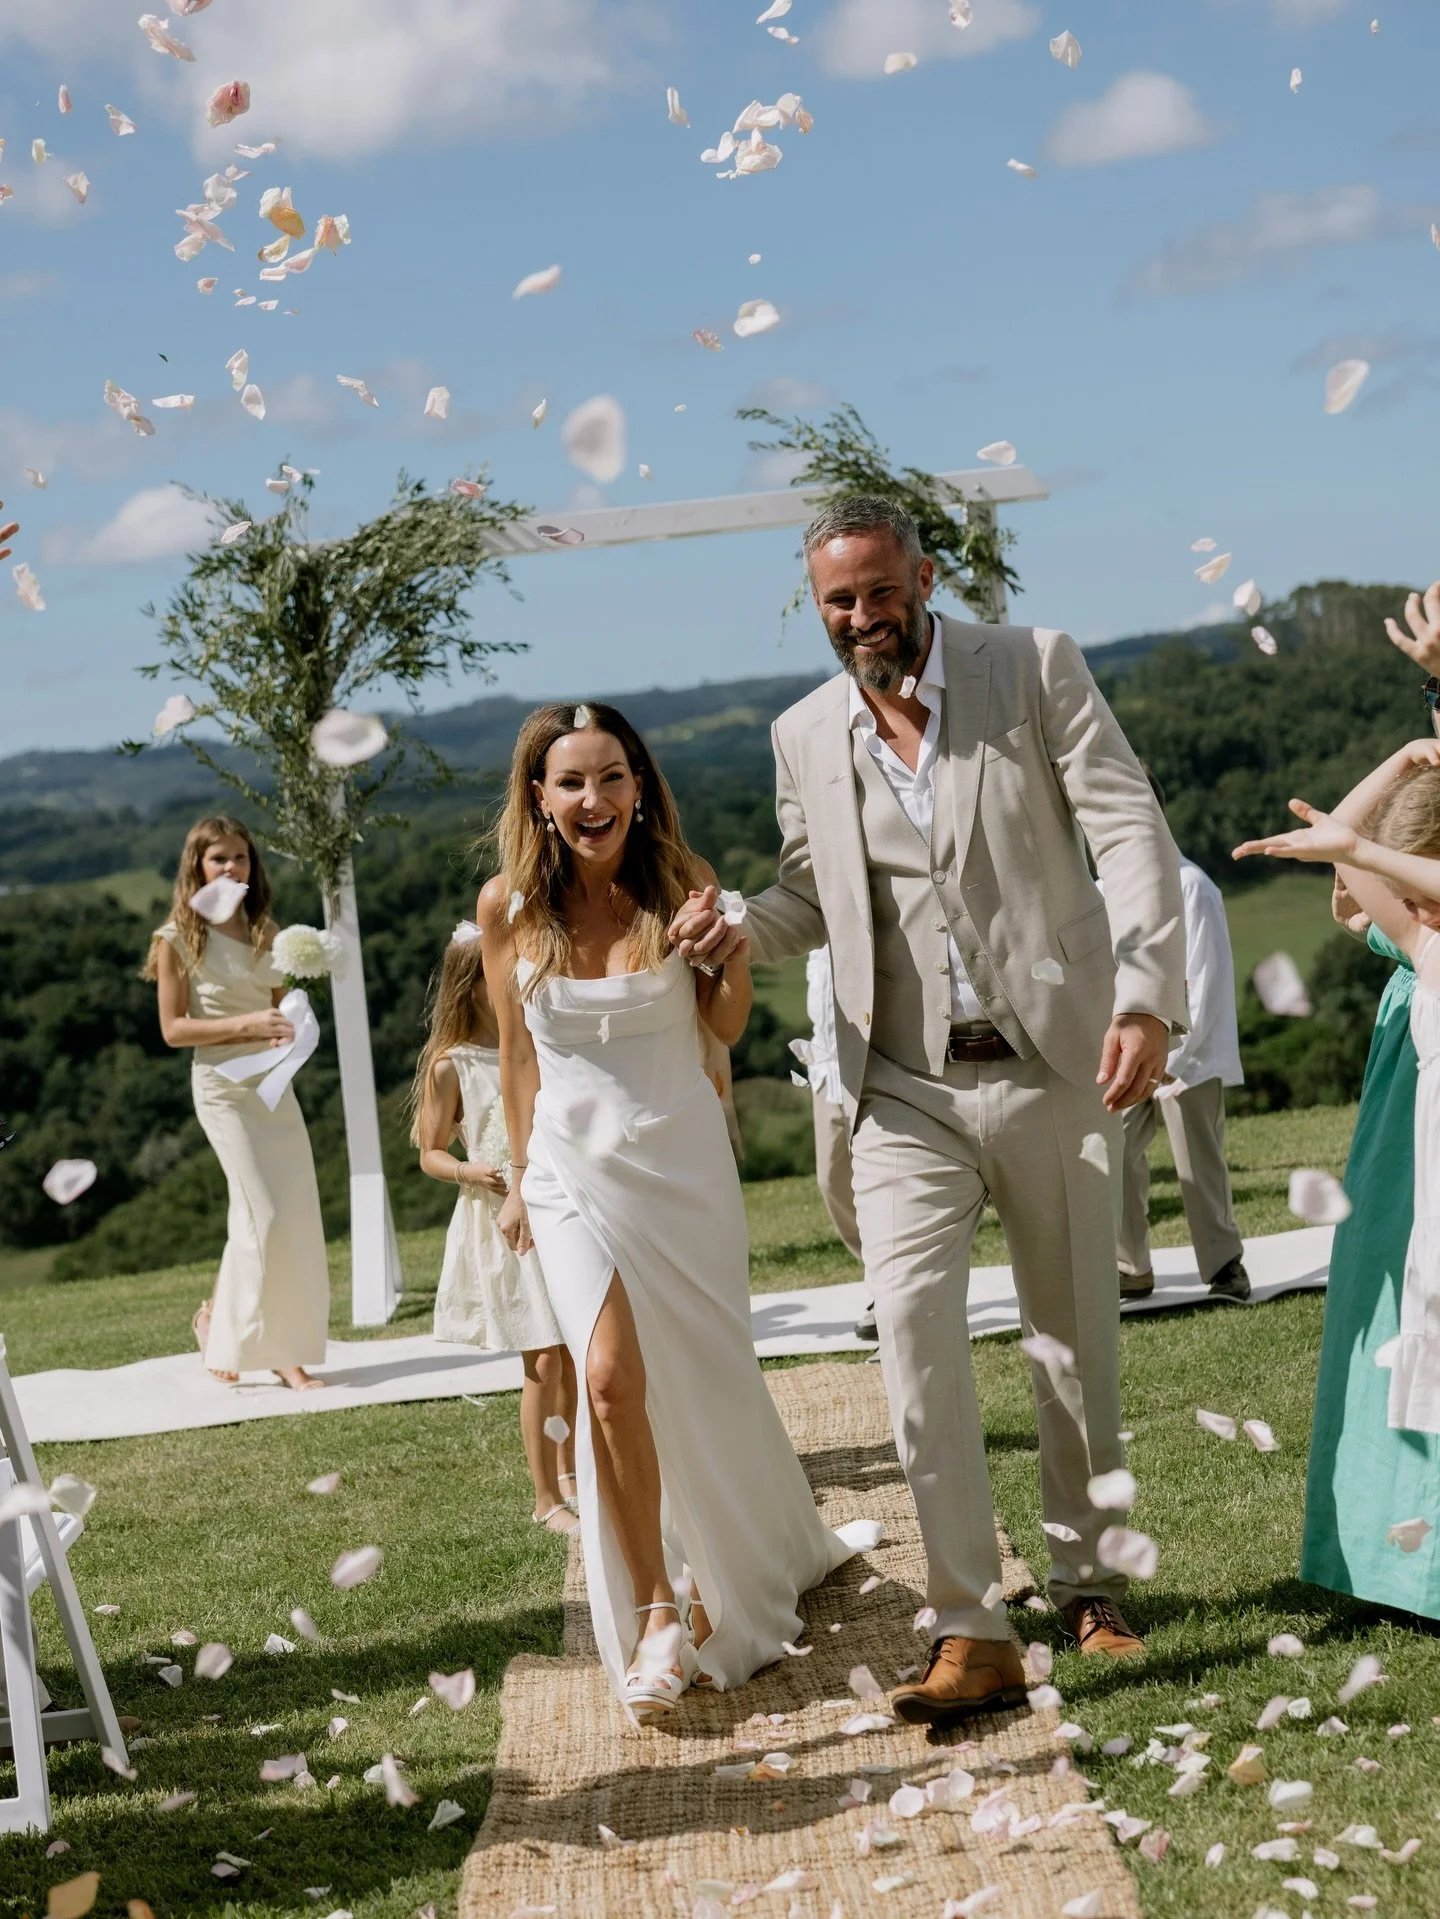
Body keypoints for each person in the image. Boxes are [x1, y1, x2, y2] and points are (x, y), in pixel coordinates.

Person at [671, 495, 1188, 1724]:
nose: (861, 617)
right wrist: (734, 922)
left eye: (878, 592)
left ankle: (1091, 1585)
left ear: (924, 577)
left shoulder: (1035, 667)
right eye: (837, 601)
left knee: (1072, 1342)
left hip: (1058, 1058)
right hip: (903, 1084)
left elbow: (1129, 830)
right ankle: (972, 1625)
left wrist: (1146, 996)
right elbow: (811, 895)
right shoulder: (804, 732)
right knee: (910, 1332)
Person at [478, 701, 872, 1728]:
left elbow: (726, 1024)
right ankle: (658, 1608)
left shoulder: (683, 886)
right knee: (609, 1379)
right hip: (568, 1173)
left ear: (640, 787)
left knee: (706, 1377)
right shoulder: (506, 907)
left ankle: (762, 1549)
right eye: (571, 780)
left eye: (611, 776)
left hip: (682, 1167)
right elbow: (516, 1058)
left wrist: (723, 950)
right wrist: (517, 1176)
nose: (593, 798)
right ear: (539, 796)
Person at [1235, 740, 1440, 1439]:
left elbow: (1355, 852)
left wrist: (1363, 850)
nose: (1414, 909)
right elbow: (1341, 848)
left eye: (1421, 891)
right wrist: (1401, 763)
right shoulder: (1425, 949)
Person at [145, 816, 328, 1388]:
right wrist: (247, 1024)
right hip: (222, 1090)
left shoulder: (266, 932)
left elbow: (281, 1010)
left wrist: (291, 1028)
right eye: (218, 858)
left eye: (240, 857)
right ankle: (278, 1353)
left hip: (272, 1088)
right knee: (261, 1214)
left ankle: (214, 1321)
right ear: (197, 867)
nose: (231, 867)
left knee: (282, 1213)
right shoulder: (176, 938)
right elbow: (173, 1030)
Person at [410, 922, 579, 1534]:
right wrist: (469, 1170)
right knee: (544, 1360)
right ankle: (545, 1497)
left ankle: (573, 1472)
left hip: (554, 1207)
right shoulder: (452, 1065)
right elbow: (429, 1151)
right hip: (502, 1223)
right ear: (470, 984)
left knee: (574, 1352)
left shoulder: (536, 1041)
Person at [1116, 768, 1248, 1304]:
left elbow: (1207, 977)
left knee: (1199, 1163)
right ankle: (1130, 1266)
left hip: (1188, 1051)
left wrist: (1180, 1057)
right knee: (1116, 1153)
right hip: (1130, 1050)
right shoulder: (1109, 888)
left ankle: (1224, 1266)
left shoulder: (1192, 885)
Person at [789, 947, 870, 1334]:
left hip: (872, 1067)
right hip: (825, 1071)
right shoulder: (811, 928)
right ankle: (878, 1270)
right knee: (830, 1180)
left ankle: (888, 1287)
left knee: (883, 1183)